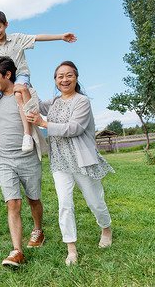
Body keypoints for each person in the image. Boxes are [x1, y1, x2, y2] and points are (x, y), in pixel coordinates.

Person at [27, 61, 114, 266]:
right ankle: (71, 248)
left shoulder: (82, 101)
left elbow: (74, 128)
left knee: (95, 202)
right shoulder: (55, 102)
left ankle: (106, 228)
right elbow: (36, 105)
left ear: (76, 77)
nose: (64, 80)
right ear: (55, 80)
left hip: (82, 161)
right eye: (60, 76)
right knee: (64, 204)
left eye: (69, 76)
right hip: (60, 162)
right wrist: (25, 82)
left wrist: (44, 124)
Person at [0, 10, 76, 154]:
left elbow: (37, 37)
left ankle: (27, 135)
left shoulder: (17, 39)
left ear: (6, 25)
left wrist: (60, 36)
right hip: (3, 80)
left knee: (19, 93)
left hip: (20, 76)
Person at [0, 56, 48, 267]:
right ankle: (17, 250)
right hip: (5, 158)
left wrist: (23, 93)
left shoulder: (26, 91)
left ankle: (38, 230)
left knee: (33, 198)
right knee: (12, 203)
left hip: (27, 156)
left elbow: (34, 112)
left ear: (8, 74)